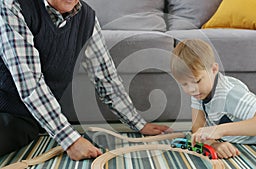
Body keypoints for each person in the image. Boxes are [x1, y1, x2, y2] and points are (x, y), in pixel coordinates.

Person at [0, 0, 170, 160]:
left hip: (25, 119)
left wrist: (138, 123)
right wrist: (70, 140)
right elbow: (30, 82)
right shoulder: (13, 5)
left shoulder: (87, 18)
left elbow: (106, 76)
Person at [170, 39, 256, 159]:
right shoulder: (199, 91)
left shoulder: (229, 93)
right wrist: (213, 144)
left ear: (214, 69)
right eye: (184, 84)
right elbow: (198, 127)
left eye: (197, 81)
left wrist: (219, 130)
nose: (191, 89)